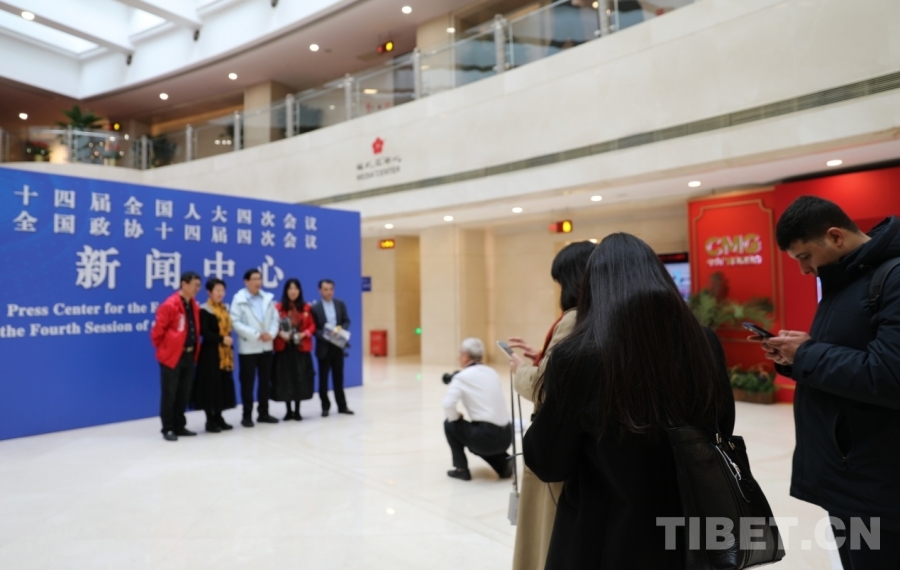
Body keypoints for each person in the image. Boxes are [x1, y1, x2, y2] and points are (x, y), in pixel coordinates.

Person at [523, 233, 733, 568]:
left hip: (605, 537)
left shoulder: (578, 357)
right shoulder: (703, 342)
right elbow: (721, 426)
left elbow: (549, 462)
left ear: (594, 288)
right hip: (689, 531)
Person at [754, 196, 900, 568]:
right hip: (847, 474)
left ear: (835, 236)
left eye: (805, 256)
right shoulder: (842, 279)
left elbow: (889, 374)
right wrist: (794, 357)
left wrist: (806, 354)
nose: (804, 269)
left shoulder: (893, 277)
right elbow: (845, 356)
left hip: (877, 478)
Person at [506, 241, 594, 570]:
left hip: (554, 442)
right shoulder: (600, 316)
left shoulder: (572, 319)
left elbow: (546, 388)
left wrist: (521, 370)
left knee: (542, 534)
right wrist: (541, 357)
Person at [443, 338, 513, 481]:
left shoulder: (461, 377)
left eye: (460, 354)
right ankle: (503, 463)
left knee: (450, 424)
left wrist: (456, 417)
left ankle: (461, 469)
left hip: (486, 438)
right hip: (507, 436)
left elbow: (448, 405)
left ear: (465, 356)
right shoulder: (492, 372)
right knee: (475, 433)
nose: (458, 357)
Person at [150, 271, 203, 442]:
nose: (197, 289)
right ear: (184, 284)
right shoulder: (170, 305)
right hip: (172, 356)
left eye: (198, 285)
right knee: (170, 393)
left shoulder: (193, 305)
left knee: (183, 393)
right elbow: (157, 333)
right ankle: (168, 428)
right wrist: (167, 349)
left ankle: (180, 425)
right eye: (194, 285)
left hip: (189, 354)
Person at [230, 269, 280, 427]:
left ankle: (263, 413)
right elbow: (235, 322)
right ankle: (247, 415)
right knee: (248, 383)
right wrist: (255, 334)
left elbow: (275, 319)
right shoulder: (239, 299)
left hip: (266, 346)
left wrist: (271, 334)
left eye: (259, 278)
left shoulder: (267, 298)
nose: (258, 282)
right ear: (246, 282)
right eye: (254, 279)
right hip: (249, 347)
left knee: (265, 382)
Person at [192, 278, 237, 433]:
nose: (220, 293)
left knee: (222, 384)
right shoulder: (205, 310)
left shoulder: (224, 309)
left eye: (222, 290)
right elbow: (204, 332)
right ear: (209, 292)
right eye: (217, 290)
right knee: (211, 385)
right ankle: (210, 419)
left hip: (224, 353)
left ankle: (219, 416)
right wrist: (221, 339)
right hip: (210, 353)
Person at [273, 278, 316, 421]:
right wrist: (280, 334)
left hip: (300, 348)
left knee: (300, 379)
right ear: (286, 291)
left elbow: (312, 326)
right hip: (284, 348)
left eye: (296, 288)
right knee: (286, 379)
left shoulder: (306, 308)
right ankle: (288, 410)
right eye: (290, 288)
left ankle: (297, 410)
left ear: (299, 291)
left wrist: (304, 334)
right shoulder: (278, 308)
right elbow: (273, 325)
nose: (293, 291)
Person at [310, 279, 354, 416]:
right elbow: (314, 329)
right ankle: (325, 407)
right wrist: (326, 335)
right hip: (324, 347)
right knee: (323, 380)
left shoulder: (340, 304)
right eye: (325, 289)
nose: (329, 292)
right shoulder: (315, 307)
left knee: (338, 378)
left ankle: (342, 406)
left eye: (331, 289)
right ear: (320, 291)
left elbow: (346, 320)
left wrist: (339, 331)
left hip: (338, 346)